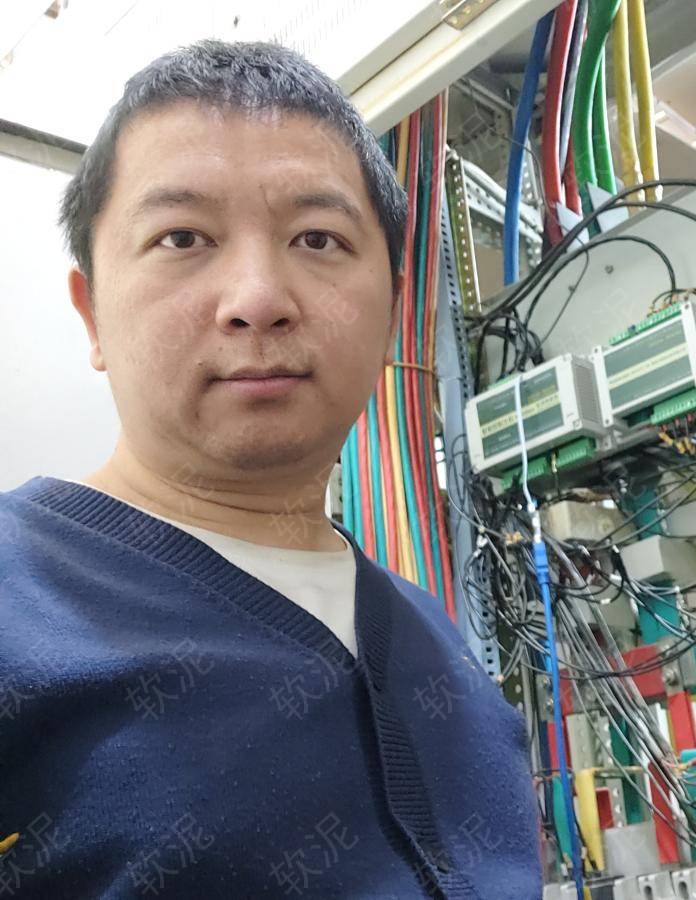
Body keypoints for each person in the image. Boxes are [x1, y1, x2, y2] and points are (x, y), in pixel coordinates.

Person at [0, 40, 540, 898]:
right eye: (182, 237)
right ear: (91, 312)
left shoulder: (440, 650)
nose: (258, 298)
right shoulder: (17, 601)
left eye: (317, 238)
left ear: (393, 309)